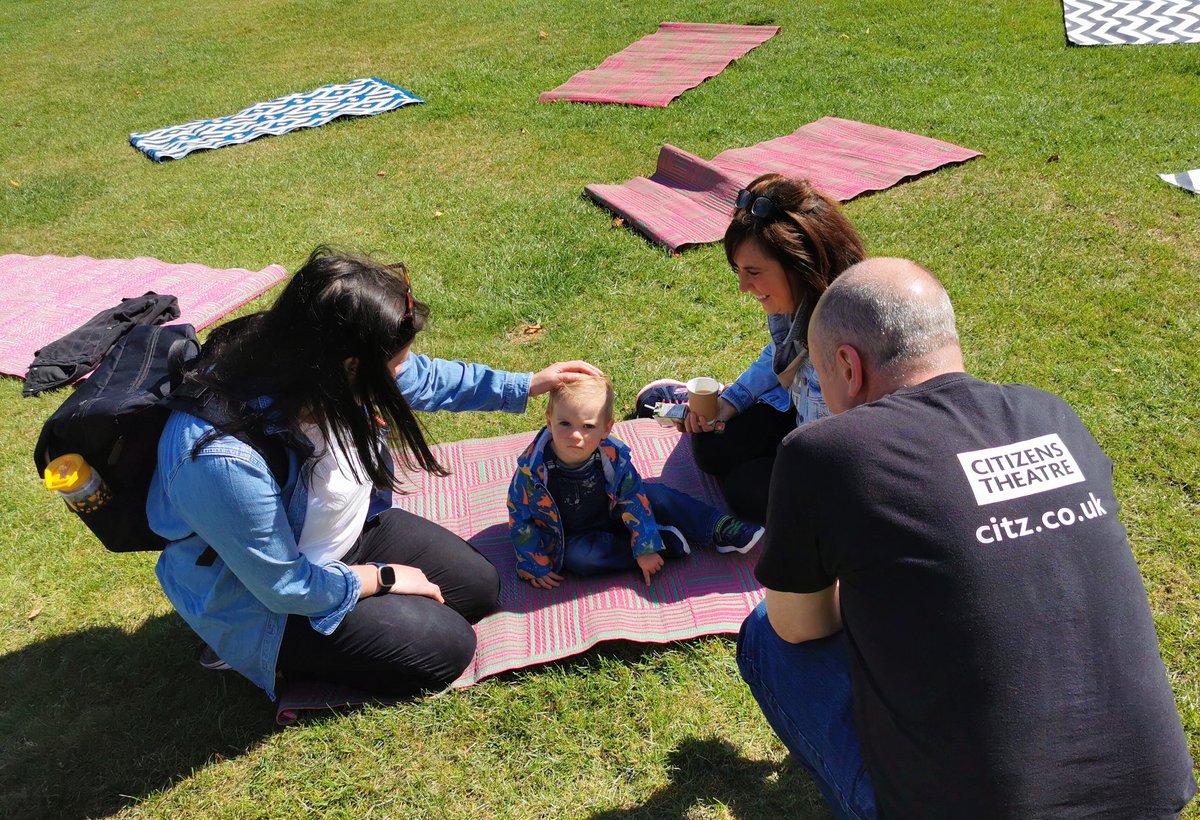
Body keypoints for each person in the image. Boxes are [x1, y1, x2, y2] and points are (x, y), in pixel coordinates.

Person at [737, 257, 1196, 818]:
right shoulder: (1051, 416)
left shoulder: (826, 451)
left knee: (765, 632)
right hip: (1150, 799)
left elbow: (797, 625)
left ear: (848, 366)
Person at [148, 247, 601, 700]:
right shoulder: (219, 459)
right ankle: (248, 652)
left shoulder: (316, 359)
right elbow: (285, 586)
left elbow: (421, 378)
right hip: (271, 603)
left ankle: (359, 612)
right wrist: (381, 577)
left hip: (346, 535)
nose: (405, 372)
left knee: (479, 588)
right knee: (447, 647)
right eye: (395, 364)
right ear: (349, 368)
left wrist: (521, 386)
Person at [636, 173, 865, 522]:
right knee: (711, 446)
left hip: (834, 456)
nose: (744, 286)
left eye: (753, 272)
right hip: (798, 415)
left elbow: (831, 448)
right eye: (739, 271)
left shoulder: (844, 337)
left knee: (745, 490)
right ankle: (693, 401)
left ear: (799, 264)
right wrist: (731, 402)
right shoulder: (805, 299)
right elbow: (781, 354)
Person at [508, 375, 764, 589]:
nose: (575, 435)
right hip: (572, 533)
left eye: (587, 426)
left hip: (614, 509)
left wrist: (644, 542)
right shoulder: (532, 469)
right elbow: (520, 514)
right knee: (580, 559)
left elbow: (632, 499)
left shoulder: (612, 457)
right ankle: (664, 543)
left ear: (606, 429)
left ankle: (715, 526)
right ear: (549, 419)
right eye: (564, 423)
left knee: (659, 496)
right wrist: (534, 562)